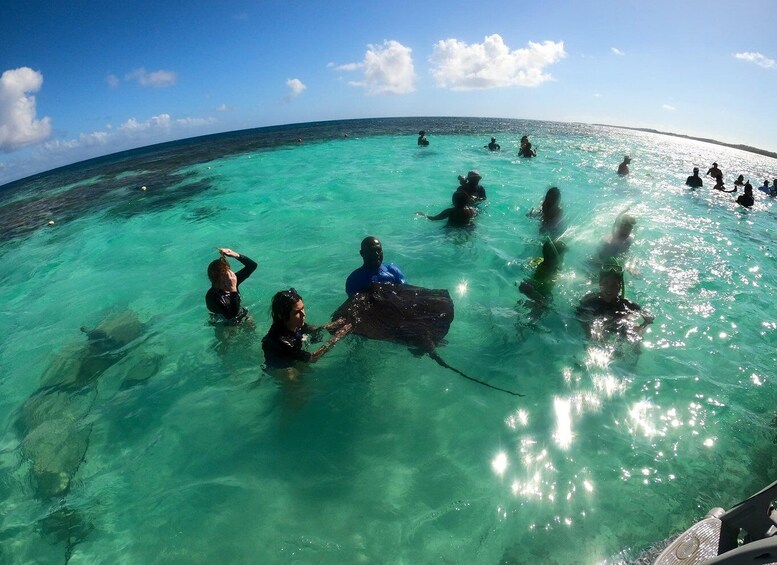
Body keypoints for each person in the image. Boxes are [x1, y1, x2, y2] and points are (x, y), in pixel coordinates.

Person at [262, 288, 351, 370]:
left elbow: (312, 330)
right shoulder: (281, 341)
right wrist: (336, 338)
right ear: (282, 316)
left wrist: (333, 325)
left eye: (302, 308)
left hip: (294, 353)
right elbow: (313, 358)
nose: (303, 314)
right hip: (281, 367)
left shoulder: (295, 323)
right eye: (297, 312)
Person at [576, 261, 653, 341]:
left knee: (635, 335)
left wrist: (643, 325)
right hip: (601, 326)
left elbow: (647, 316)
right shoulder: (591, 301)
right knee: (596, 335)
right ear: (600, 284)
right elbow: (580, 314)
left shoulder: (625, 304)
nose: (609, 288)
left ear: (620, 288)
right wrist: (588, 333)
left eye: (614, 285)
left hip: (620, 326)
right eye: (606, 283)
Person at [205, 248, 257, 324]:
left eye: (229, 275)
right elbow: (231, 315)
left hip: (238, 314)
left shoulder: (231, 280)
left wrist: (235, 255)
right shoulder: (212, 296)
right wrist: (233, 289)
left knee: (249, 320)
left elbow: (252, 266)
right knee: (225, 334)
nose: (229, 279)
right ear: (216, 282)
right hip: (224, 323)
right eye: (224, 278)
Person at [518, 238, 567, 316]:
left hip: (529, 286)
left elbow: (530, 262)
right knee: (544, 306)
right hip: (541, 293)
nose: (563, 259)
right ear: (555, 259)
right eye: (563, 256)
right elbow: (547, 282)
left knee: (523, 306)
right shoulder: (551, 273)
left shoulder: (539, 260)